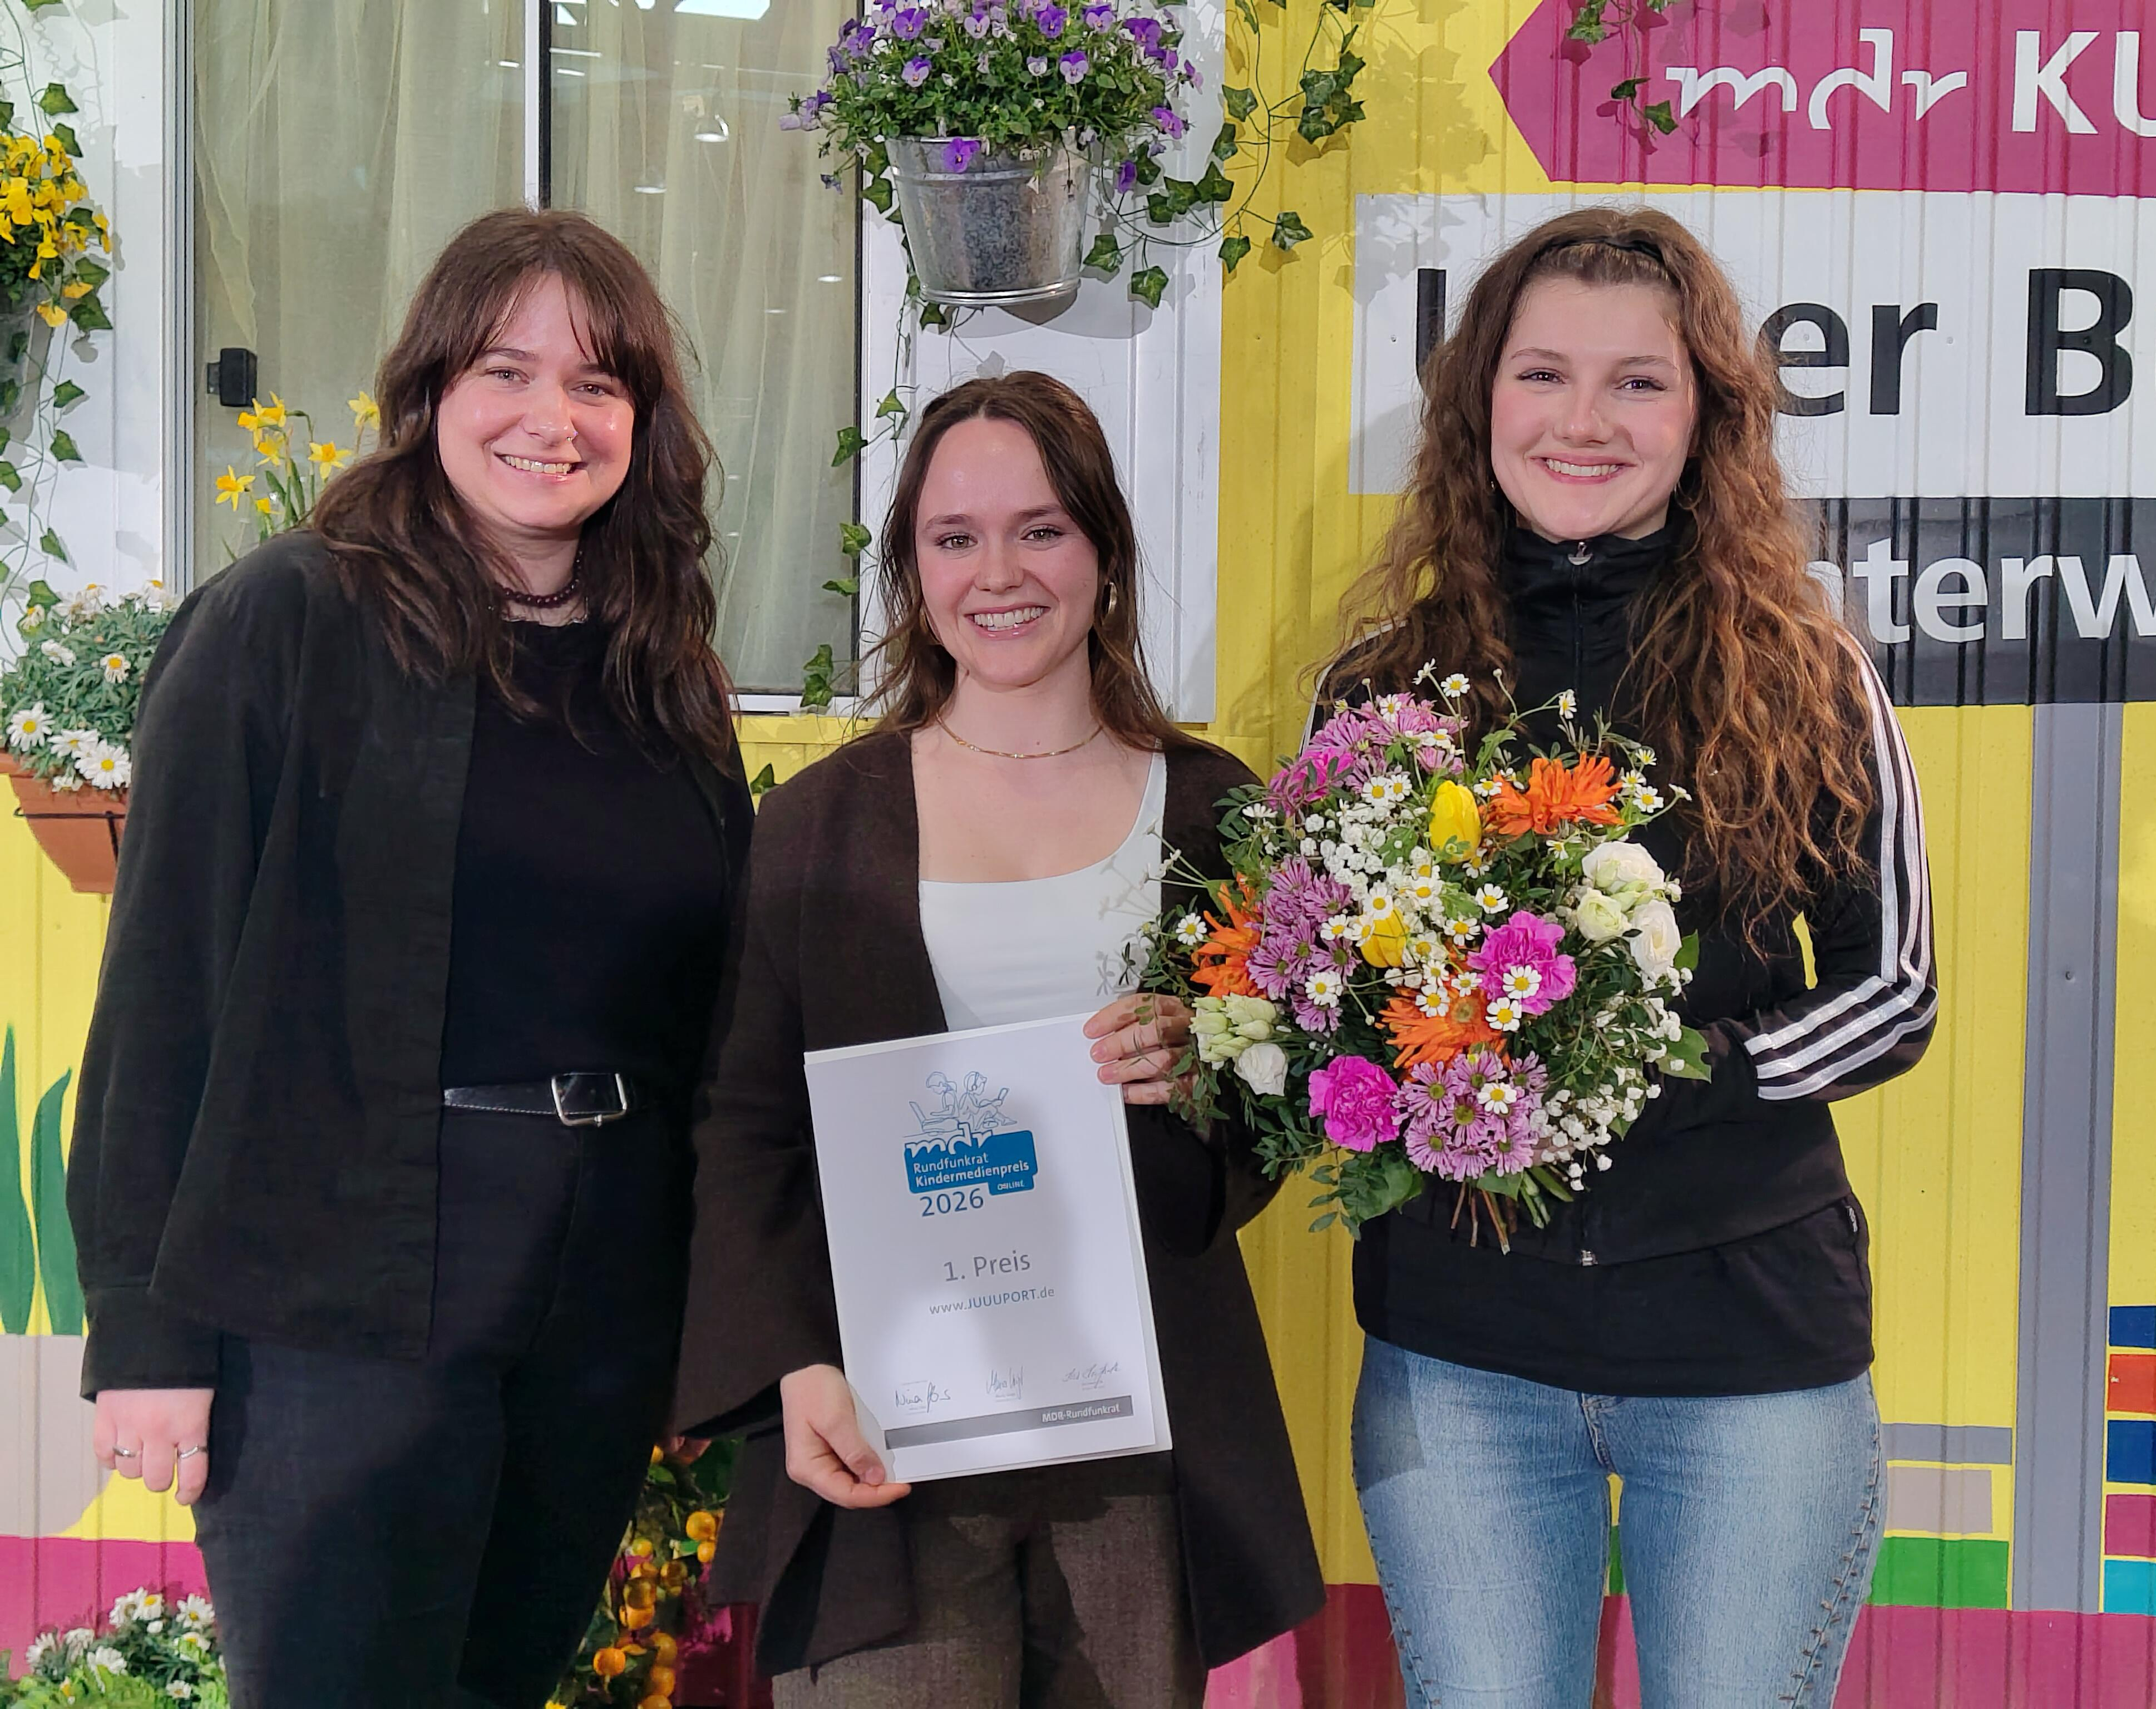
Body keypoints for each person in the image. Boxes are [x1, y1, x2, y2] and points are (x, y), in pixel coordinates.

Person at [66, 208, 753, 1709]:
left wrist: (711, 1319)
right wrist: (146, 1334)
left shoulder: (665, 670)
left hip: (596, 1295)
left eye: (598, 383)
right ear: (430, 388)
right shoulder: (283, 623)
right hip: (339, 1292)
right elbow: (163, 993)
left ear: (640, 419)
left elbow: (709, 1022)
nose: (550, 420)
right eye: (507, 370)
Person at [1322, 206, 1936, 1707]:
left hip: (1748, 1353)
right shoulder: (1382, 685)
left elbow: (1897, 988)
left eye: (1638, 382)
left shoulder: (1803, 665)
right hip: (1462, 1360)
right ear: (1479, 404)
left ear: (1708, 413)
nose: (1584, 421)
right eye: (1543, 375)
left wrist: (1649, 1075)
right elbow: (1327, 995)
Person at [674, 371, 1324, 1707]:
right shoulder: (818, 823)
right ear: (912, 566)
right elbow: (743, 1121)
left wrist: (1203, 1072)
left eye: (1040, 528)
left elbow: (1282, 1104)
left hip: (1135, 1444)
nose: (998, 572)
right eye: (952, 536)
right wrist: (793, 1363)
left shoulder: (1214, 809)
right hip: (888, 1440)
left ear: (1102, 548)